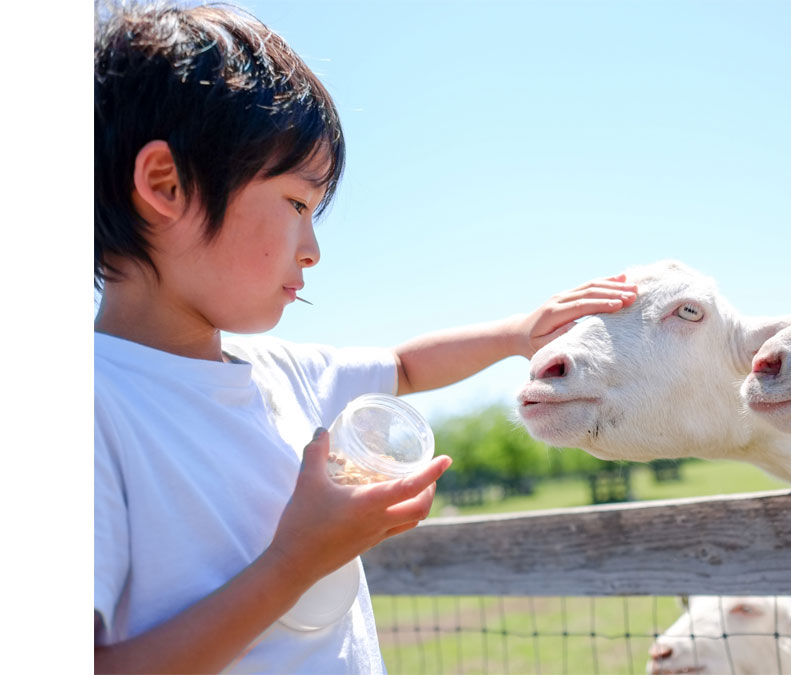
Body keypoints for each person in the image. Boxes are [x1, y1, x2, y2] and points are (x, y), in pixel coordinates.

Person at [93, 3, 637, 672]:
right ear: (167, 184)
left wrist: (517, 334)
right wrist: (297, 560)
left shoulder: (282, 371)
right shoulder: (91, 410)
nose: (313, 249)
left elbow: (405, 367)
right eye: (297, 203)